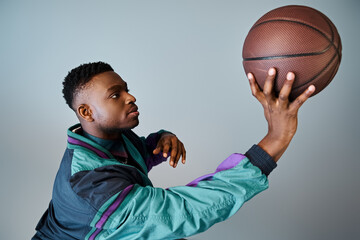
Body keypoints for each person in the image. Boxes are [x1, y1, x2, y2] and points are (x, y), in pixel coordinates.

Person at [32, 61, 315, 240]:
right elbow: (182, 211)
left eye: (127, 89)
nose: (131, 97)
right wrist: (275, 139)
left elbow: (132, 156)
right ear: (86, 111)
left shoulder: (110, 137)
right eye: (115, 94)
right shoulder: (89, 184)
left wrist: (160, 140)